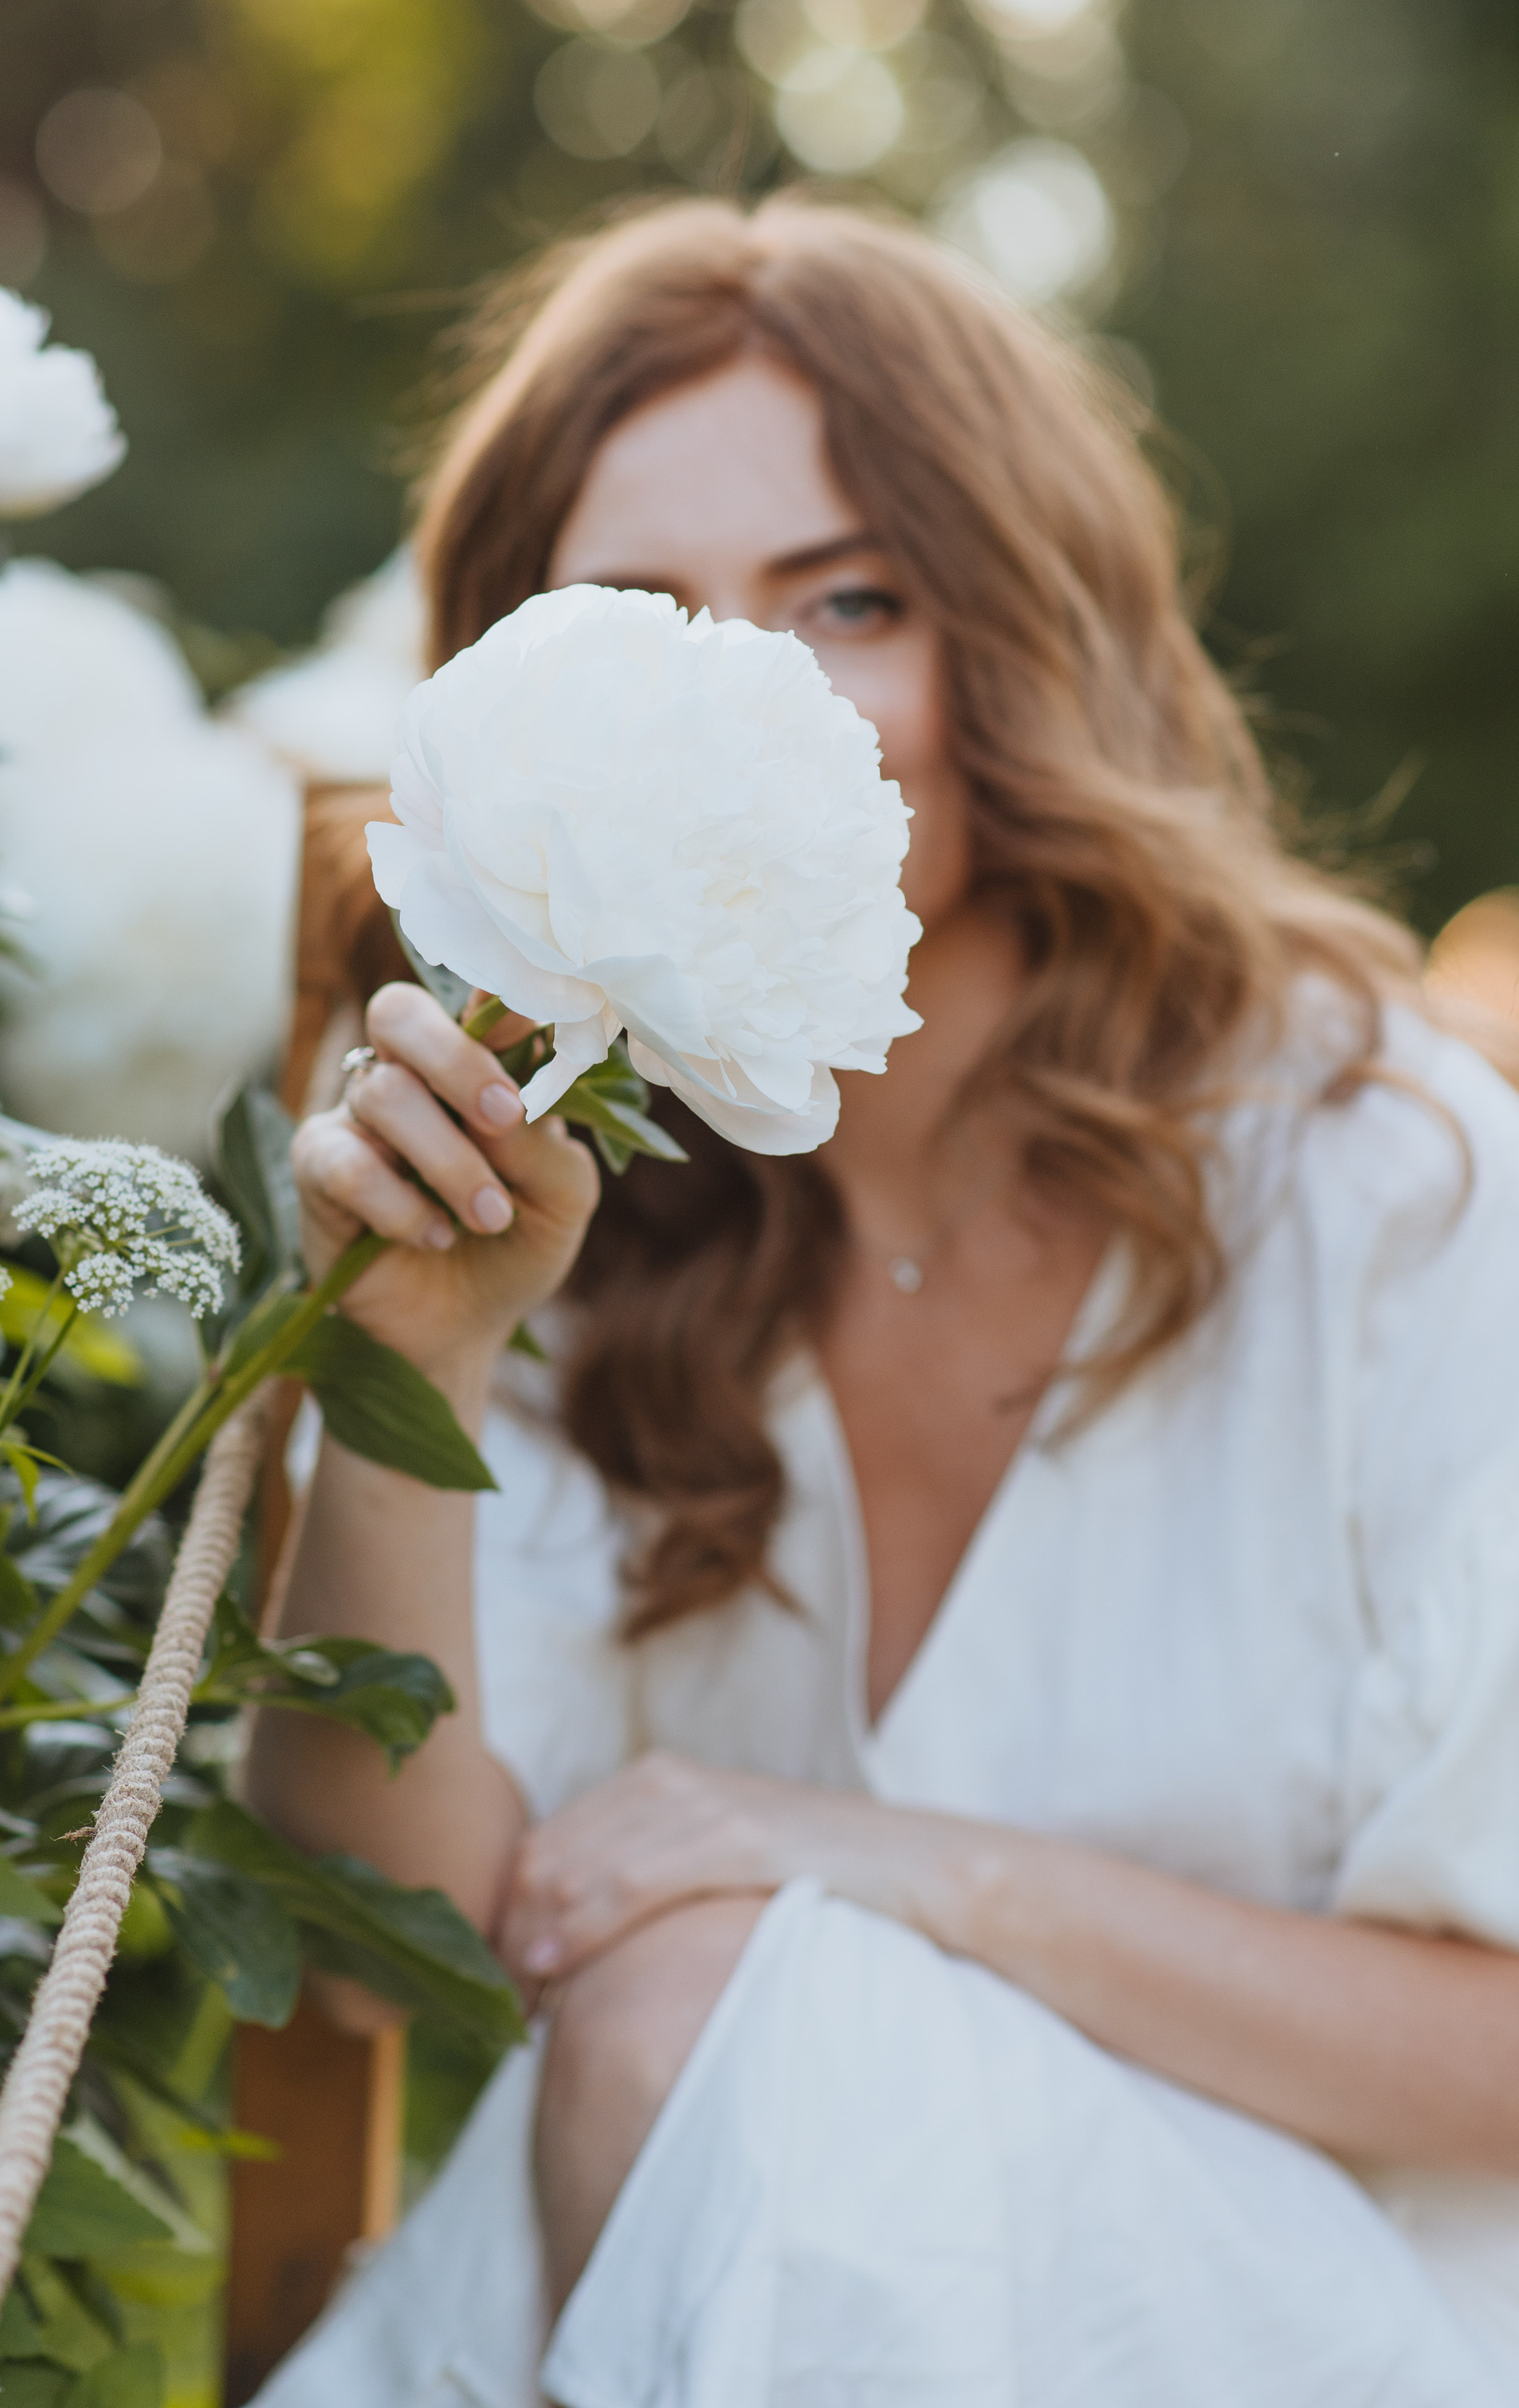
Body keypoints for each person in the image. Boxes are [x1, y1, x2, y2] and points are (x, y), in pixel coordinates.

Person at [245, 195, 1519, 2407]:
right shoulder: (563, 1202)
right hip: (694, 2291)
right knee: (689, 2044)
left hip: (1341, 2321)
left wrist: (895, 1871)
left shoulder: (1399, 1185)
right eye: (651, 625)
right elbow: (395, 1942)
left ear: (1016, 645)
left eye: (847, 601)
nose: (751, 702)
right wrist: (404, 1380)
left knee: (695, 2011)